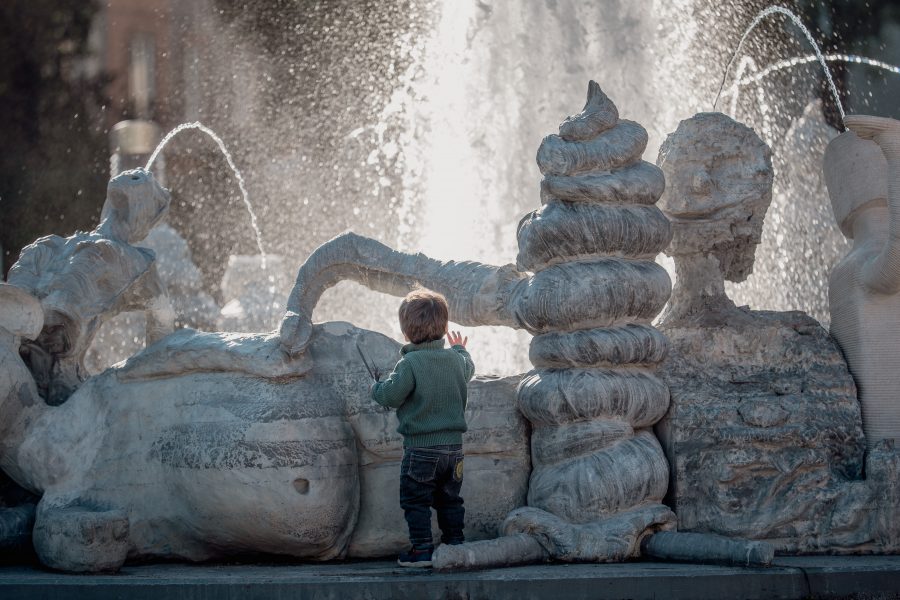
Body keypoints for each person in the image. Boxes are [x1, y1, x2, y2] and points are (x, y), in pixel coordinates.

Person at [370, 288, 475, 568]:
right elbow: (469, 367)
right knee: (450, 501)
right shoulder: (455, 359)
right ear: (445, 327)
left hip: (421, 451)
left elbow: (390, 397)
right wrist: (461, 348)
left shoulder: (410, 363)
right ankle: (455, 546)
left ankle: (422, 551)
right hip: (454, 451)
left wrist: (376, 387)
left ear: (405, 331)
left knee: (415, 501)